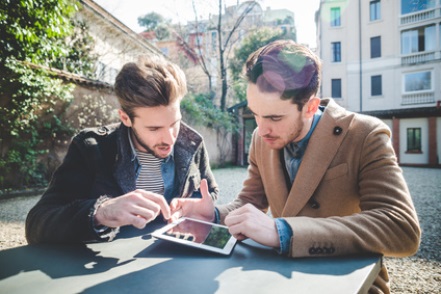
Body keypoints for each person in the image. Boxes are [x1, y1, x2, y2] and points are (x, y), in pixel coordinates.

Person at [170, 40, 421, 293]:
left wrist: (285, 231)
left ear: (311, 107)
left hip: (348, 281)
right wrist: (212, 214)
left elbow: (401, 228)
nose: (261, 128)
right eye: (255, 113)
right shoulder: (261, 138)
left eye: (275, 117)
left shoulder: (365, 135)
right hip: (281, 276)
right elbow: (250, 203)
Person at [26, 54, 219, 244]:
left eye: (174, 123)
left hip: (175, 264)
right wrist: (100, 212)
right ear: (125, 118)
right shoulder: (91, 148)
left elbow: (208, 194)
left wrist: (206, 211)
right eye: (154, 128)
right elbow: (37, 224)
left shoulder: (193, 144)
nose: (170, 138)